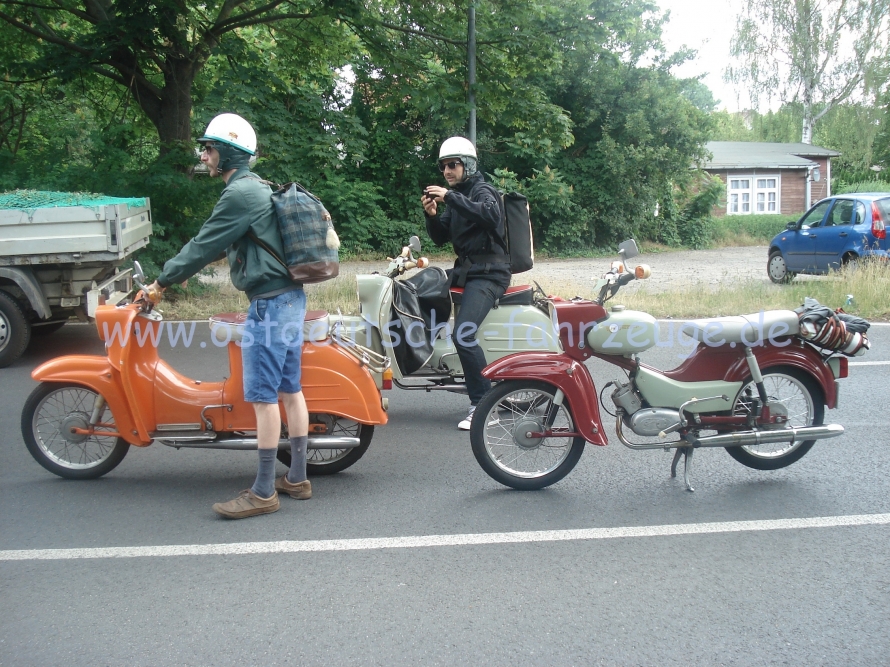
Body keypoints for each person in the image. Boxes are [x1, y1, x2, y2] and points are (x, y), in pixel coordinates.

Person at [146, 113, 311, 519]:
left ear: (228, 153)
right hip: (291, 298)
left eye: (209, 149)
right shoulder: (257, 188)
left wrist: (161, 283)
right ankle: (298, 478)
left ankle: (262, 492)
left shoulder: (239, 194)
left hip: (269, 306)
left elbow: (203, 243)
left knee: (262, 398)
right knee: (290, 390)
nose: (204, 156)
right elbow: (240, 240)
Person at [422, 136, 510, 430]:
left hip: (489, 274)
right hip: (467, 272)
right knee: (420, 288)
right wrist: (432, 215)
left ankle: (483, 405)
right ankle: (424, 352)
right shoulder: (457, 195)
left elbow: (490, 214)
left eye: (452, 164)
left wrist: (448, 197)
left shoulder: (483, 191)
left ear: (468, 165)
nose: (447, 171)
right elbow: (441, 236)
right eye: (443, 166)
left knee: (463, 334)